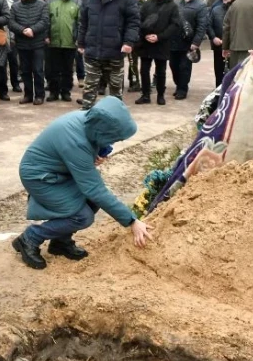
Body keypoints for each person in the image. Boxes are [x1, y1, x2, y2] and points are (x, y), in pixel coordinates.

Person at [12, 97, 152, 269]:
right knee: (82, 216)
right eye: (113, 138)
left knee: (91, 201)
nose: (114, 142)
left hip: (60, 173)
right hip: (41, 178)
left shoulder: (88, 121)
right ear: (103, 129)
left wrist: (96, 154)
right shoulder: (75, 141)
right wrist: (131, 221)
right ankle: (30, 238)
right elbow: (93, 188)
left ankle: (60, 241)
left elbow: (88, 156)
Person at [76, 0, 140, 110]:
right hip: (92, 51)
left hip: (115, 51)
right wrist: (80, 43)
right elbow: (83, 22)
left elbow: (133, 21)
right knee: (89, 88)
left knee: (115, 91)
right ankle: (86, 116)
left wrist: (129, 42)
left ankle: (114, 118)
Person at [135, 0, 182, 106]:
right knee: (144, 70)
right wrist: (145, 36)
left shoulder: (173, 6)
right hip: (145, 43)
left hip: (162, 44)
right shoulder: (147, 4)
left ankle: (160, 95)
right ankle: (145, 95)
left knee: (161, 71)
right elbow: (139, 21)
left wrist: (159, 37)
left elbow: (174, 25)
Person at [9, 0, 50, 105]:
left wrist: (32, 30)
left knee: (38, 70)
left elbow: (45, 21)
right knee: (25, 71)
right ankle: (28, 95)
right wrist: (23, 30)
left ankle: (39, 95)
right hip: (22, 43)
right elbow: (11, 22)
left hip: (37, 43)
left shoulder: (42, 5)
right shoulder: (15, 6)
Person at [46, 0, 81, 102]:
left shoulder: (77, 2)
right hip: (53, 42)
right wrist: (46, 35)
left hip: (70, 42)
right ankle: (53, 92)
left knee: (68, 69)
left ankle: (66, 92)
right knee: (53, 69)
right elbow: (46, 21)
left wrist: (79, 38)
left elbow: (80, 22)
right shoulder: (50, 1)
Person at [173, 0, 208, 99]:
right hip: (174, 42)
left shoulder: (200, 5)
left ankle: (183, 89)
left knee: (184, 67)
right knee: (174, 66)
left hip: (188, 43)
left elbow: (202, 25)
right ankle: (178, 85)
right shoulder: (176, 3)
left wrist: (196, 42)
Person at [0, 0, 19, 99]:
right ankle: (2, 89)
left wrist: (14, 35)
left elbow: (15, 19)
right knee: (1, 64)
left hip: (11, 35)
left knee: (13, 62)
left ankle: (16, 84)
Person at [207, 0, 235, 87]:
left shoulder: (237, 10)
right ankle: (218, 92)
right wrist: (213, 37)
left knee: (233, 71)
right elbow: (208, 25)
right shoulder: (215, 10)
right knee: (219, 71)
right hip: (218, 46)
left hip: (233, 47)